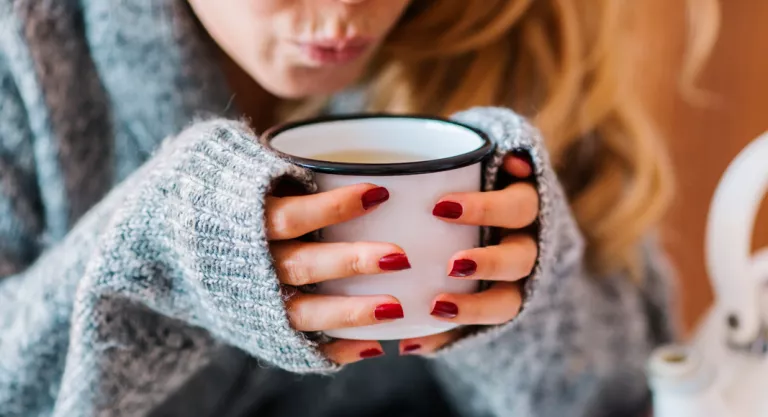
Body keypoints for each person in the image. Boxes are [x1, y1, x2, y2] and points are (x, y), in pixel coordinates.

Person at [0, 1, 719, 416]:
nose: (345, 9)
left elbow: (649, 391)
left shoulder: (505, 31)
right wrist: (153, 260)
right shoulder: (26, 47)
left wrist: (531, 294)